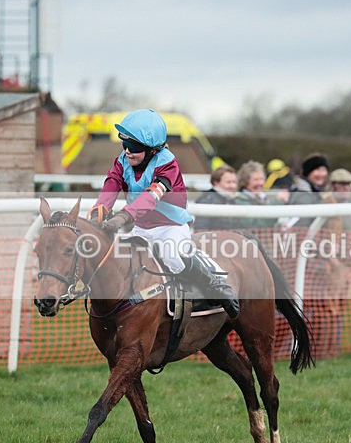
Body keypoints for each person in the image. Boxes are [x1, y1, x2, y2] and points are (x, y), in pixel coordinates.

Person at [92, 109, 239, 317]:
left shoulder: (167, 163)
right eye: (124, 145)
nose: (127, 151)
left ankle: (216, 285)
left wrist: (123, 216)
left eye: (133, 147)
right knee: (122, 256)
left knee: (172, 256)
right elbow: (112, 184)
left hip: (170, 226)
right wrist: (98, 213)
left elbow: (152, 196)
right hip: (142, 226)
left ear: (152, 150)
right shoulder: (122, 161)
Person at [281, 153, 330, 228]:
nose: (322, 174)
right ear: (308, 172)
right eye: (317, 170)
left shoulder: (316, 192)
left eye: (324, 170)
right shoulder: (303, 194)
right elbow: (301, 224)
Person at [193, 165, 238, 231]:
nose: (232, 186)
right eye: (228, 182)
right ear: (216, 182)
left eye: (234, 182)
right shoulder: (206, 200)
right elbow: (201, 229)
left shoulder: (233, 200)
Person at [235, 160, 275, 228]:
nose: (260, 183)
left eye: (262, 179)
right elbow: (256, 226)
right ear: (245, 181)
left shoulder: (263, 197)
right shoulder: (239, 200)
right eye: (256, 180)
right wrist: (277, 203)